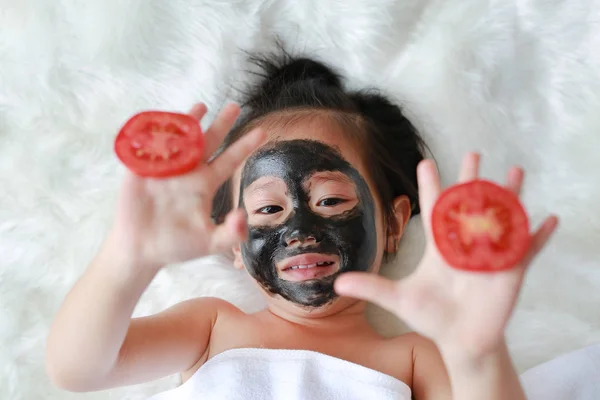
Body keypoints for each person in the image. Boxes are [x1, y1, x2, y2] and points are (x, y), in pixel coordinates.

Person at [46, 52, 558, 400]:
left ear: (395, 222)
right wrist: (129, 259)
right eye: (268, 210)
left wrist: (477, 352)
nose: (299, 230)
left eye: (331, 199)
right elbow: (78, 369)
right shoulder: (214, 327)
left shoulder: (412, 358)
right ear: (230, 238)